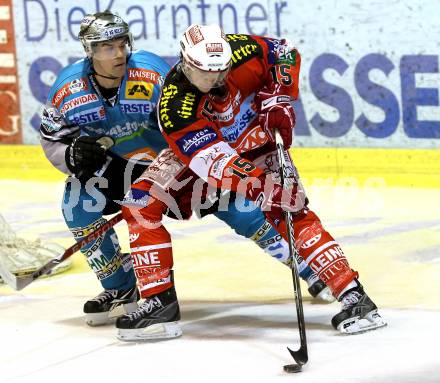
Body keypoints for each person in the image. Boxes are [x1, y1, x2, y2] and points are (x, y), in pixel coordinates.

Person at [39, 12, 330, 329]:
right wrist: (71, 154)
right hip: (119, 166)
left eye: (123, 44)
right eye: (108, 47)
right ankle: (121, 287)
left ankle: (308, 265)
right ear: (90, 50)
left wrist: (206, 159)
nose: (119, 53)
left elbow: (198, 117)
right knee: (77, 204)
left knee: (242, 211)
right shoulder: (68, 89)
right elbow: (52, 139)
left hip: (180, 160)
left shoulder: (151, 74)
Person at [118, 24, 386, 339]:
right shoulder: (175, 107)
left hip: (259, 141)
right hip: (207, 153)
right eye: (206, 73)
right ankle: (159, 302)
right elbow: (214, 162)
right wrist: (260, 185)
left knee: (290, 209)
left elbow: (284, 52)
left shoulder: (243, 48)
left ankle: (354, 296)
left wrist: (280, 97)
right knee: (140, 203)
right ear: (186, 63)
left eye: (222, 71)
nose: (216, 80)